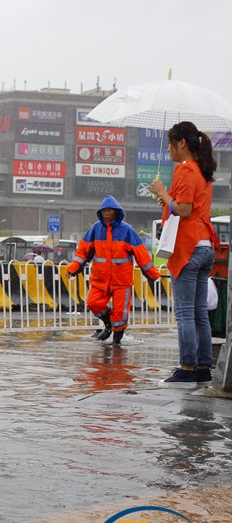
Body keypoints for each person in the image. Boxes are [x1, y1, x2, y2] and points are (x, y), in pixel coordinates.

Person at [151, 121, 218, 386]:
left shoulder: (185, 169)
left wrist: (163, 193)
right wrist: (168, 198)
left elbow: (185, 210)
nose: (168, 149)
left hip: (189, 248)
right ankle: (203, 367)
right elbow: (184, 205)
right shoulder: (202, 171)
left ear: (182, 143)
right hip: (205, 247)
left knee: (186, 313)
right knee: (200, 313)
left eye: (171, 142)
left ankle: (187, 367)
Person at [66, 195, 161, 345]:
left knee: (120, 314)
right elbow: (83, 252)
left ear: (116, 212)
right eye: (103, 211)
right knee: (93, 302)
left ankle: (116, 344)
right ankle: (109, 325)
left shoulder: (127, 231)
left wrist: (152, 274)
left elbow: (141, 254)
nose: (106, 214)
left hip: (121, 281)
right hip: (100, 279)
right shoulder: (96, 229)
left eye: (109, 210)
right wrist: (73, 268)